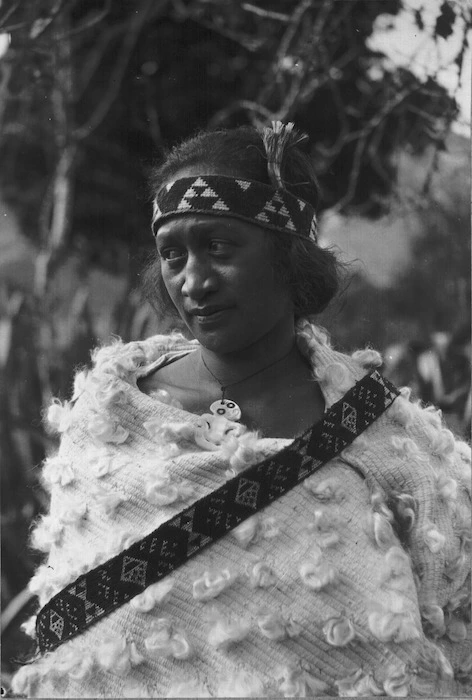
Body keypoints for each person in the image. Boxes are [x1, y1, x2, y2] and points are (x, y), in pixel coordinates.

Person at [12, 123, 471, 698]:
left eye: (220, 248)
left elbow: (456, 623)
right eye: (172, 255)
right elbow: (77, 654)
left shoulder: (391, 441)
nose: (194, 282)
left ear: (288, 258)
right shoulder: (111, 419)